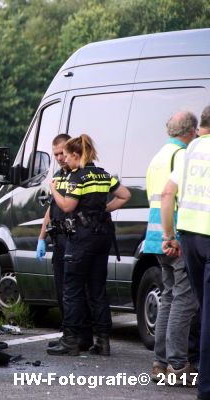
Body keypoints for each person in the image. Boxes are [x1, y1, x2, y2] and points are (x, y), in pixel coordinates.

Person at [47, 134, 131, 356]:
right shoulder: (103, 175)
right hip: (102, 236)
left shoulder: (78, 177)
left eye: (66, 155)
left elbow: (67, 206)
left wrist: (53, 189)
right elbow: (124, 195)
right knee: (97, 289)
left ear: (76, 155)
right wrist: (103, 210)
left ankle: (71, 341)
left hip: (81, 238)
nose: (65, 160)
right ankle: (103, 341)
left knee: (72, 289)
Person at [143, 111, 199, 382]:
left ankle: (160, 362)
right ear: (191, 130)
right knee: (183, 299)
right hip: (173, 235)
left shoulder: (159, 155)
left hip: (155, 235)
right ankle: (177, 365)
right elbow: (171, 195)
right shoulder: (181, 155)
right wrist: (172, 236)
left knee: (168, 296)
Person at [161, 105, 210, 394]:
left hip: (189, 237)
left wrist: (170, 235)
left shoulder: (189, 150)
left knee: (202, 309)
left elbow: (168, 193)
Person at [36, 134, 93, 351]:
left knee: (76, 291)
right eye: (56, 154)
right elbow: (51, 209)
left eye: (62, 153)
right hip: (59, 240)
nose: (60, 158)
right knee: (62, 290)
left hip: (75, 240)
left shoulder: (79, 176)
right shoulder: (60, 175)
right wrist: (41, 238)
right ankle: (68, 334)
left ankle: (79, 337)